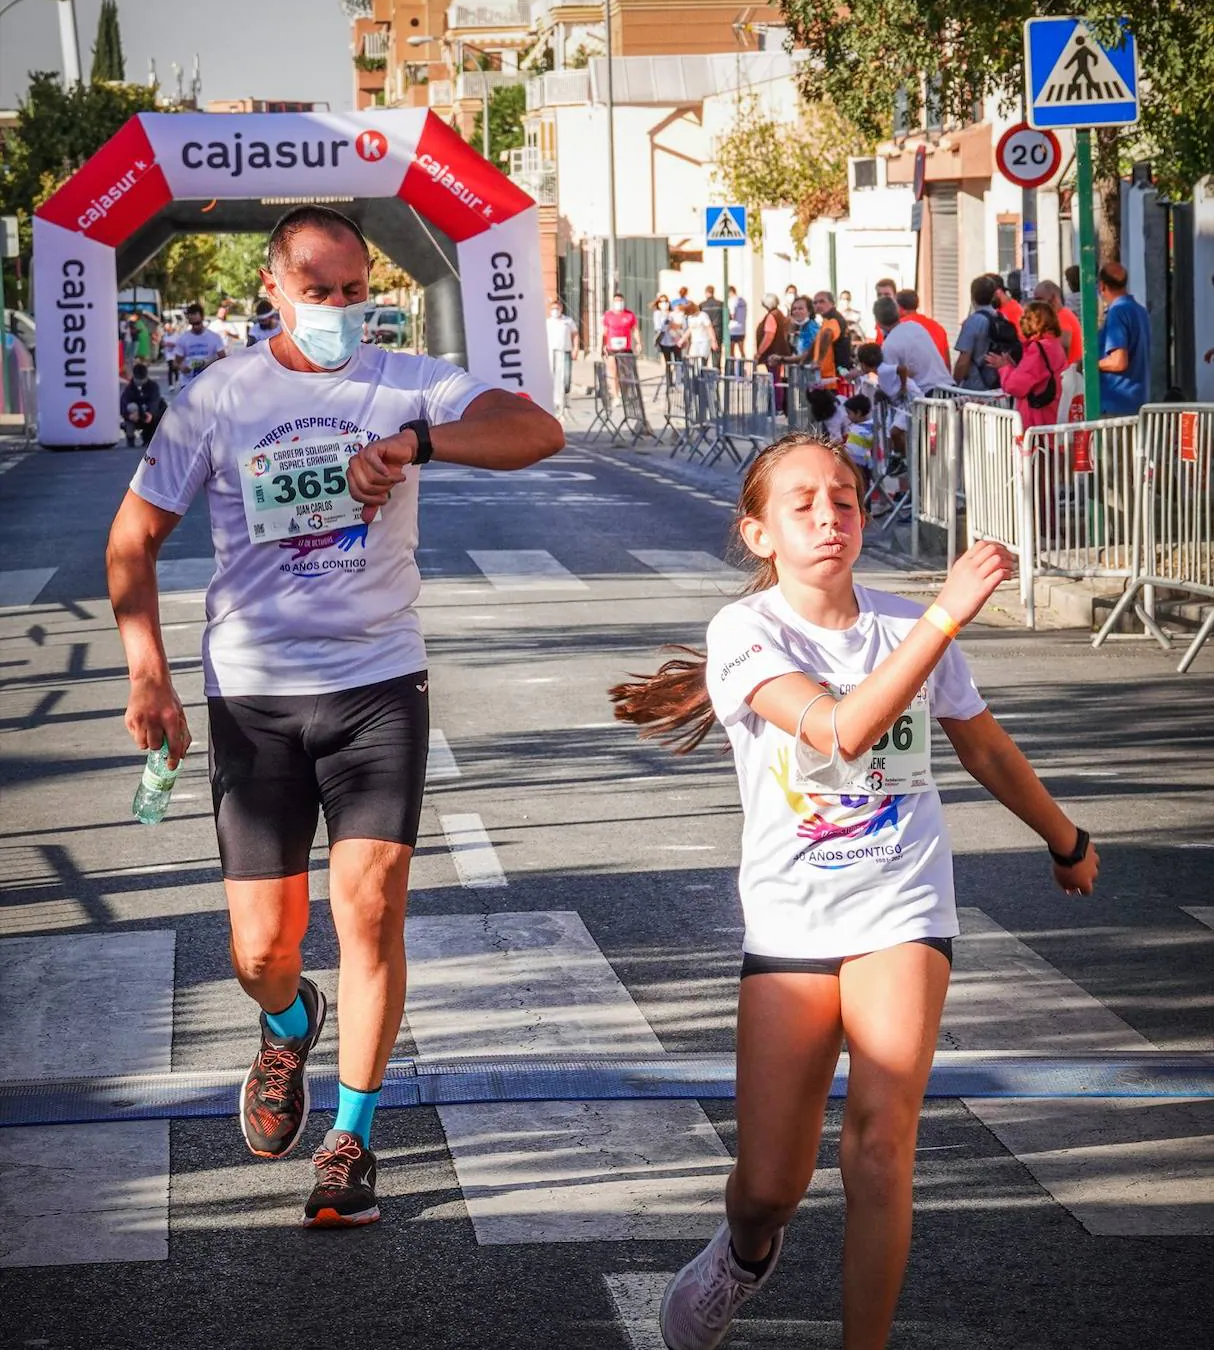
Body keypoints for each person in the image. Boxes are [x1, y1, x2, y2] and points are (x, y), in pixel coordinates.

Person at [106, 204, 563, 1229]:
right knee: (260, 950)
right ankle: (287, 1019)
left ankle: (350, 1132)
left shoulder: (405, 382)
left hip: (377, 681)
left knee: (369, 907)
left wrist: (417, 443)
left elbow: (537, 429)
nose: (343, 309)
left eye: (357, 290)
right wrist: (148, 673)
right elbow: (131, 541)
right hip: (254, 692)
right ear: (271, 288)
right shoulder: (217, 399)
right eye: (320, 293)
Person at [608, 434, 1098, 1350]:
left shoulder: (905, 624)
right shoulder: (746, 634)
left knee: (879, 1148)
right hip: (793, 921)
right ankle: (744, 1252)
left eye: (844, 499)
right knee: (769, 1186)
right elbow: (837, 731)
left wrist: (1064, 837)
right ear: (759, 534)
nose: (829, 517)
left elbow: (981, 745)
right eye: (802, 504)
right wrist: (943, 619)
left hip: (902, 905)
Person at [985, 300, 1066, 429]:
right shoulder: (1055, 345)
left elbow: (1015, 386)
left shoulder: (1037, 349)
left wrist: (1003, 367)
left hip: (1037, 423)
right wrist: (1012, 367)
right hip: (1053, 417)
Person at [1096, 262, 1151, 416]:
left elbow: (1118, 361)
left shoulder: (1117, 312)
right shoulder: (1139, 310)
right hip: (1137, 401)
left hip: (1116, 404)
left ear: (1102, 286)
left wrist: (1090, 365)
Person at [953, 275, 1019, 392]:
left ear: (973, 295)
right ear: (994, 295)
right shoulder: (1001, 317)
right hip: (997, 385)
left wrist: (954, 385)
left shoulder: (973, 321)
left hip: (975, 389)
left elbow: (963, 361)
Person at [874, 297, 952, 392]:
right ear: (898, 313)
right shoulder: (916, 327)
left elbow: (890, 387)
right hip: (949, 389)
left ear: (878, 322)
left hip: (927, 397)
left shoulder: (888, 345)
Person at [173, 303, 226, 386]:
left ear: (202, 318)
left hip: (208, 383)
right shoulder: (183, 339)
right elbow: (176, 363)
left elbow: (223, 358)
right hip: (188, 383)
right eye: (193, 324)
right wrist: (182, 368)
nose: (196, 327)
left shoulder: (214, 337)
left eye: (198, 323)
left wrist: (209, 363)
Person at [1032, 280, 1082, 369]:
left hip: (1066, 375)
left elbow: (1063, 346)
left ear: (1053, 298)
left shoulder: (1060, 317)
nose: (1036, 306)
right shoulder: (1062, 314)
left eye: (1039, 300)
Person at [894, 290, 949, 366]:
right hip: (941, 376)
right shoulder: (938, 327)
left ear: (900, 307)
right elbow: (947, 363)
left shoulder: (898, 328)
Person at [119, 362, 166, 447]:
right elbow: (123, 404)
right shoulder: (129, 389)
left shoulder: (153, 386)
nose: (140, 382)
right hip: (135, 416)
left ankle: (151, 438)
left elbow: (155, 401)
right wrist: (129, 415)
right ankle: (130, 438)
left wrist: (150, 413)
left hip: (150, 415)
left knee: (163, 407)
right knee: (131, 407)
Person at [547, 297, 581, 411]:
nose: (555, 311)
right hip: (551, 352)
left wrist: (575, 348)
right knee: (552, 376)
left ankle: (564, 398)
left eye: (557, 308)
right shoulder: (547, 322)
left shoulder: (568, 321)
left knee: (565, 377)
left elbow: (575, 334)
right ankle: (554, 400)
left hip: (565, 351)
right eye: (553, 308)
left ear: (561, 308)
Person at [810, 291, 845, 388]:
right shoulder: (825, 320)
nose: (818, 305)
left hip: (832, 379)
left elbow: (828, 334)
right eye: (815, 302)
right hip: (826, 379)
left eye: (822, 302)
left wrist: (818, 362)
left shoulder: (833, 319)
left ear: (832, 303)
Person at [653, 294, 684, 367]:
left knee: (678, 361)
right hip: (664, 341)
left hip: (676, 340)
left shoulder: (672, 313)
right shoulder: (657, 314)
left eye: (666, 301)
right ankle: (669, 377)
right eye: (662, 301)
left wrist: (672, 324)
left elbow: (680, 325)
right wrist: (670, 324)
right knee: (668, 362)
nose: (664, 303)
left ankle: (679, 377)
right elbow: (659, 327)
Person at [700, 285, 725, 355]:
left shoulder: (702, 305)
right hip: (718, 331)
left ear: (706, 292)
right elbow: (727, 318)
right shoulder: (721, 304)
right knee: (716, 356)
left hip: (705, 332)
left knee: (704, 357)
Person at [728, 288, 748, 357]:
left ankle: (732, 367)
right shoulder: (743, 301)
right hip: (742, 329)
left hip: (732, 329)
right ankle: (743, 366)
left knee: (731, 351)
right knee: (742, 351)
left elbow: (732, 315)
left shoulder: (732, 300)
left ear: (730, 292)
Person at [161, 321, 180, 389]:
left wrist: (172, 344)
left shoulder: (176, 335)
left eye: (168, 328)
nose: (167, 330)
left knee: (175, 368)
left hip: (175, 354)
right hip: (168, 355)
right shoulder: (164, 335)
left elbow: (179, 345)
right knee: (170, 368)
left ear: (171, 328)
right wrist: (164, 344)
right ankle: (170, 385)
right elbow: (162, 343)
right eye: (166, 328)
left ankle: (177, 379)